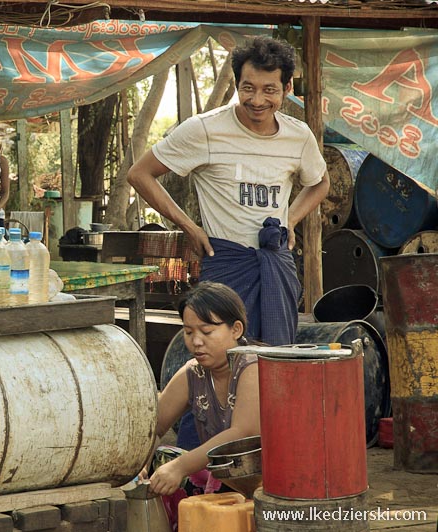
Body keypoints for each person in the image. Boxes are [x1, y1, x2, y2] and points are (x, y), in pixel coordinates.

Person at [127, 36, 330, 347]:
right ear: (237, 83)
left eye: (270, 90)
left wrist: (290, 219)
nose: (258, 100)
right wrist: (189, 227)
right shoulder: (205, 130)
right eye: (248, 88)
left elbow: (320, 182)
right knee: (222, 363)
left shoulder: (298, 136)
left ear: (287, 88)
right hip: (226, 265)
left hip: (276, 265)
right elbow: (140, 174)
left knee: (277, 361)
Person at [146, 282, 259, 526]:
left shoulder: (253, 366)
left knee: (174, 466)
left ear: (236, 329)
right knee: (159, 459)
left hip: (263, 482)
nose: (196, 341)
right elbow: (153, 425)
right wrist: (136, 466)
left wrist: (180, 467)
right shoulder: (193, 373)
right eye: (188, 332)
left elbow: (243, 433)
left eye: (206, 332)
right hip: (223, 478)